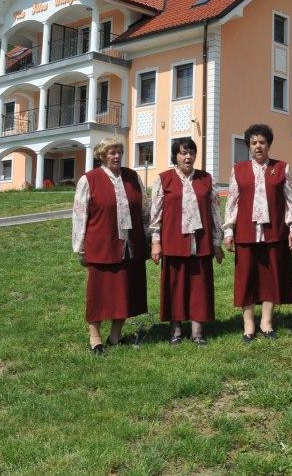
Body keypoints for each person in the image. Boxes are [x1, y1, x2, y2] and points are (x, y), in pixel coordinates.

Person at [71, 137, 149, 355]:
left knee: (125, 292)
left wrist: (150, 238)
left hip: (130, 246)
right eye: (111, 152)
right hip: (101, 247)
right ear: (102, 156)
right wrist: (81, 247)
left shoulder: (132, 177)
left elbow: (145, 210)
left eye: (119, 152)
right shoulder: (90, 180)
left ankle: (116, 335)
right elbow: (79, 215)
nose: (116, 156)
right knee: (98, 295)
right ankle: (95, 337)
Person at [223, 124, 292, 342]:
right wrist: (229, 230)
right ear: (248, 145)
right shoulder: (238, 169)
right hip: (246, 233)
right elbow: (232, 203)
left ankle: (266, 322)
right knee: (246, 278)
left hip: (274, 232)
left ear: (268, 145)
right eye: (254, 142)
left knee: (270, 277)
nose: (258, 146)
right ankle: (248, 324)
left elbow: (290, 201)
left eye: (262, 142)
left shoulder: (281, 168)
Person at [150, 137, 225, 347]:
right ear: (175, 155)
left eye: (191, 152)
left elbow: (214, 213)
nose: (188, 156)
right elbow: (156, 214)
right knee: (175, 287)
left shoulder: (206, 179)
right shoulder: (163, 179)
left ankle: (197, 332)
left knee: (199, 287)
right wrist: (156, 242)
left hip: (201, 243)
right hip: (173, 242)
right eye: (183, 152)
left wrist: (217, 242)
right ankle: (175, 331)